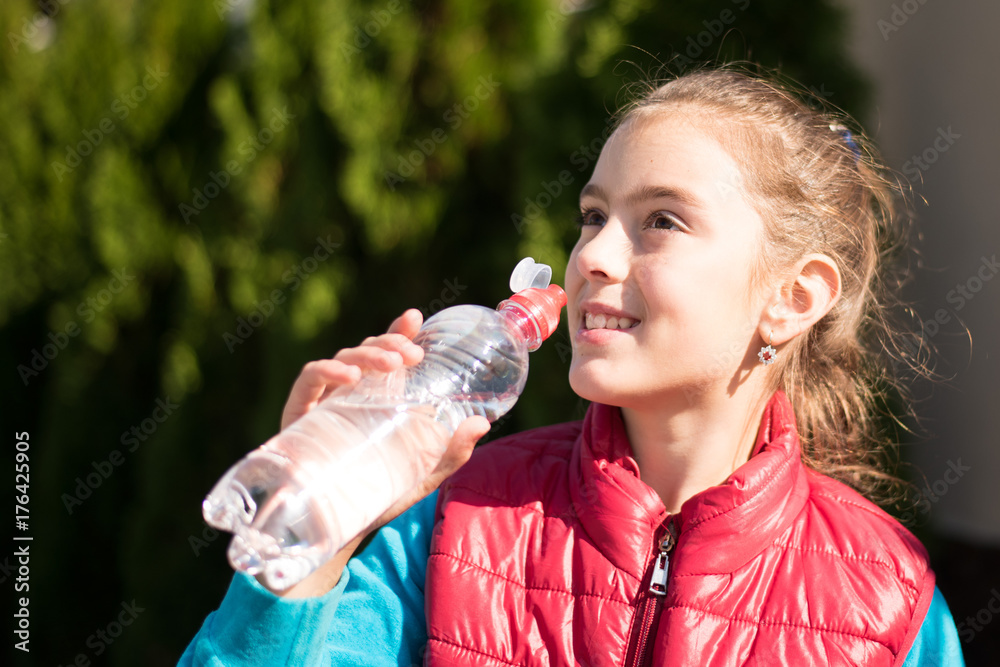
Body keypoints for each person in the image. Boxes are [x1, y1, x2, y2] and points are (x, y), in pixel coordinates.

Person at [180, 67, 965, 666]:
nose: (592, 255)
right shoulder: (458, 524)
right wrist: (315, 529)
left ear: (793, 297)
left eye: (662, 220)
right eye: (593, 215)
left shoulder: (889, 601)